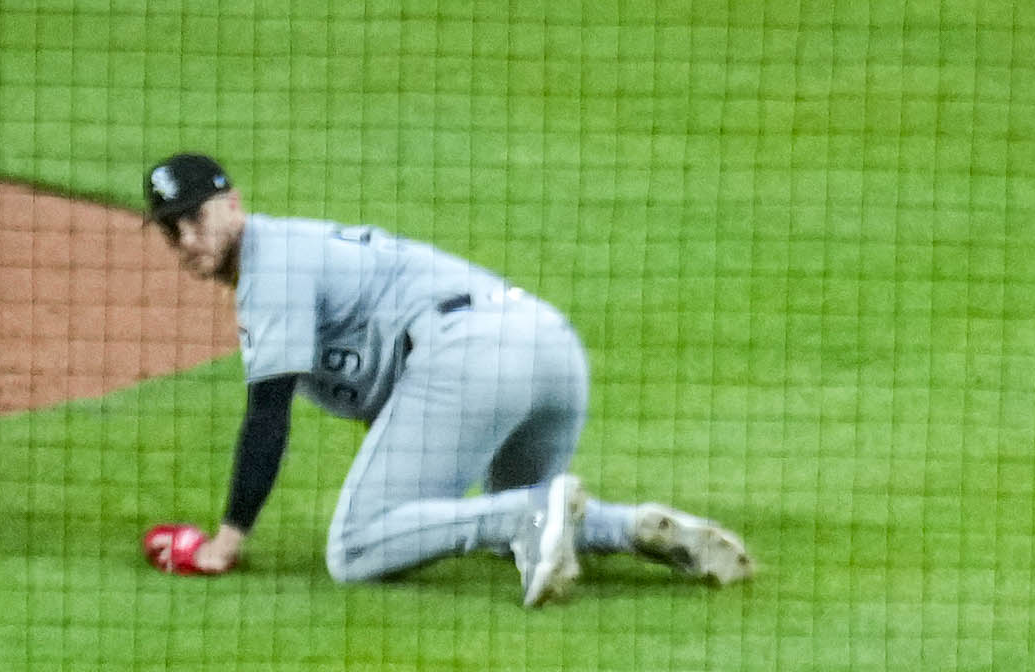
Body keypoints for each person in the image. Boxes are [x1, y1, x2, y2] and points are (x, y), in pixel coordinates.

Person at [133, 152, 755, 607]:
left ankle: (531, 513)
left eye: (197, 218)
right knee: (502, 521)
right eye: (172, 228)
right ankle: (640, 528)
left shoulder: (272, 266)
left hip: (475, 356)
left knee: (354, 550)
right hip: (550, 349)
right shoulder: (300, 252)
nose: (187, 239)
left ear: (234, 204)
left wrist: (227, 541)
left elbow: (268, 413)